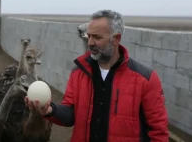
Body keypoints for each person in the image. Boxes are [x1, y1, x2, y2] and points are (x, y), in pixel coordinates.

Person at [24, 10, 169, 142]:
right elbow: (70, 113)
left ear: (116, 39)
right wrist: (50, 110)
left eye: (97, 37)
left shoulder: (146, 79)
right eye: (89, 36)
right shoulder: (78, 72)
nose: (90, 43)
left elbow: (158, 132)